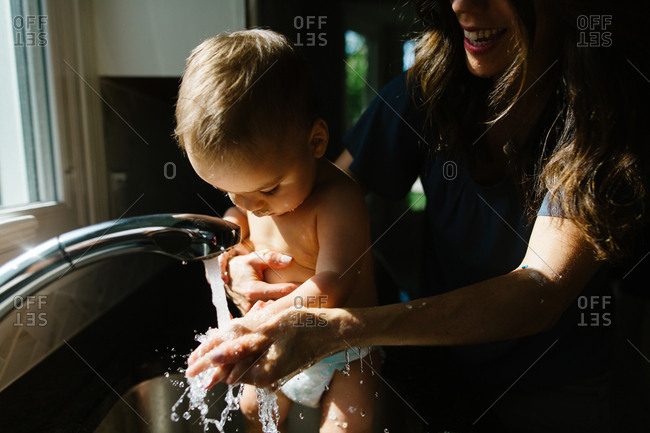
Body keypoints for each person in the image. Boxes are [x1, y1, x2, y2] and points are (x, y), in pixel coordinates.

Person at [187, 1, 650, 432]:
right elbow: (308, 189)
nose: (461, 4)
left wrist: (332, 327)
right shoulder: (428, 90)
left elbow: (541, 290)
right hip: (435, 371)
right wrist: (240, 260)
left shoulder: (602, 115)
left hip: (551, 388)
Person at [175, 29, 379, 433]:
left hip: (346, 349)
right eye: (231, 190)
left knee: (347, 425)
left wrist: (257, 322)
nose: (251, 205)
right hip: (278, 342)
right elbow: (230, 227)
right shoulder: (253, 200)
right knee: (252, 410)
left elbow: (333, 285)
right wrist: (226, 256)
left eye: (267, 189)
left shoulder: (338, 198)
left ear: (316, 141)